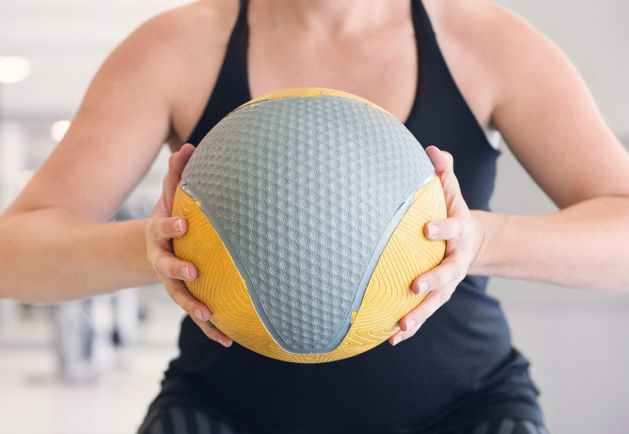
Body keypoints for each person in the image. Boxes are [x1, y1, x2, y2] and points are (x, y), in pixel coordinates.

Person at [1, 0, 628, 433]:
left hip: (465, 410)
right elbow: (14, 254)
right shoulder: (175, 47)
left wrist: (478, 240)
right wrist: (161, 246)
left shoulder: (486, 42)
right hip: (223, 412)